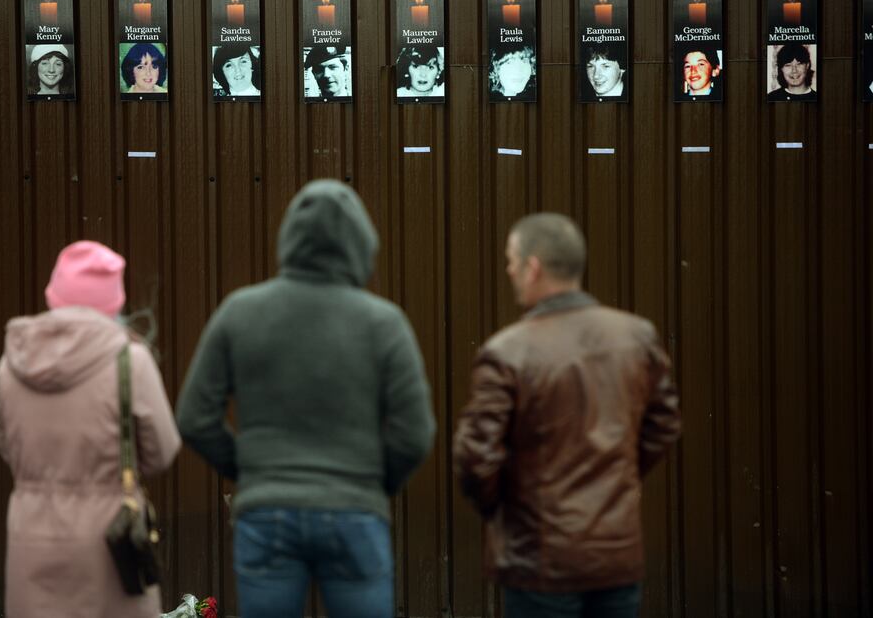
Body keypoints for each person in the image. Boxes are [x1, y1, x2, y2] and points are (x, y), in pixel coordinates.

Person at [177, 180, 436, 618]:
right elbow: (416, 434)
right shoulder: (384, 323)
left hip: (267, 511)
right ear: (361, 244)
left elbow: (194, 418)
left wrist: (250, 471)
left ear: (289, 240)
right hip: (355, 507)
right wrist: (372, 482)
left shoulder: (241, 311)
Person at [453, 213, 681, 618]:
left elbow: (475, 455)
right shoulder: (636, 336)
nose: (508, 269)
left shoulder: (508, 351)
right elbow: (664, 425)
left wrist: (507, 510)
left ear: (533, 267)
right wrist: (615, 477)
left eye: (512, 259)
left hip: (540, 560)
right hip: (616, 553)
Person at [0, 240, 181, 618]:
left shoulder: (12, 365)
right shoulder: (132, 361)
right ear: (114, 301)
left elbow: (7, 447)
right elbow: (162, 451)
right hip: (110, 540)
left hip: (31, 534)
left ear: (54, 295)